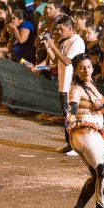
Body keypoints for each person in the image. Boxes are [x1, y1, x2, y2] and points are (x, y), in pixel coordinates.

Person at [65, 54, 104, 208]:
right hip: (85, 133)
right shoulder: (76, 89)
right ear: (76, 71)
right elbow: (71, 108)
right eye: (81, 67)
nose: (86, 70)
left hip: (90, 133)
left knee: (97, 175)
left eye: (88, 66)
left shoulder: (90, 84)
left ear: (93, 68)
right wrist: (71, 118)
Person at [35, 14, 83, 156]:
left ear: (70, 28)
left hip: (72, 85)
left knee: (72, 116)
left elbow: (67, 61)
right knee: (66, 116)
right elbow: (56, 61)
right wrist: (48, 46)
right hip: (63, 84)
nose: (59, 32)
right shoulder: (65, 42)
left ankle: (76, 146)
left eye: (61, 29)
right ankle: (69, 144)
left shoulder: (77, 42)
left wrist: (53, 44)